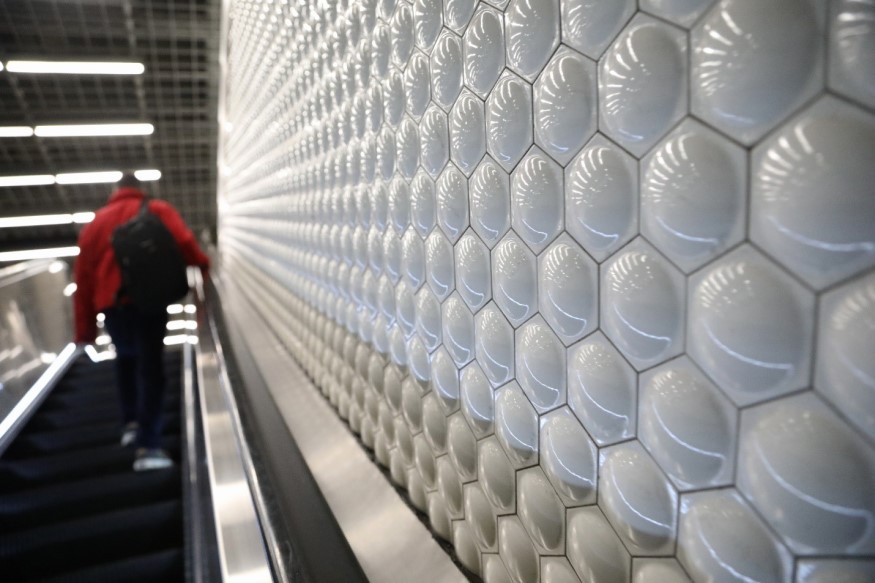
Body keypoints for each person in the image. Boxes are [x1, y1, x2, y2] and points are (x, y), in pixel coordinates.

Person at [73, 172, 210, 471]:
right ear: (139, 189)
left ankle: (131, 423)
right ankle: (149, 446)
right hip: (148, 300)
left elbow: (82, 280)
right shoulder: (157, 209)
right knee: (151, 369)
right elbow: (186, 243)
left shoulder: (95, 223)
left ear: (116, 191)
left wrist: (85, 332)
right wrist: (204, 268)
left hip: (111, 306)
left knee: (125, 358)